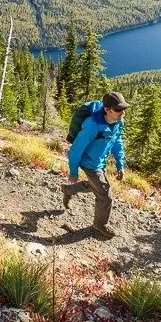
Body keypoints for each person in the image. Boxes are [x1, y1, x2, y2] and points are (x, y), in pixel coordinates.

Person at [61, 91, 129, 239]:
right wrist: (73, 172)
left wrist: (120, 164)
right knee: (105, 196)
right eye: (119, 109)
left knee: (95, 186)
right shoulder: (92, 125)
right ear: (107, 109)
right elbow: (75, 150)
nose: (122, 112)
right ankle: (100, 224)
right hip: (89, 163)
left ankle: (68, 190)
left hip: (100, 161)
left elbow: (117, 142)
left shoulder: (118, 123)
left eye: (124, 108)